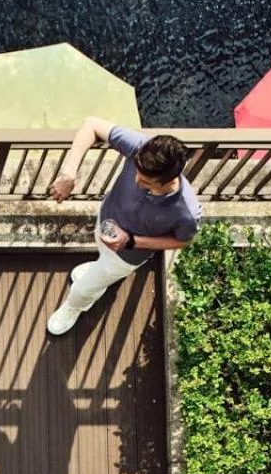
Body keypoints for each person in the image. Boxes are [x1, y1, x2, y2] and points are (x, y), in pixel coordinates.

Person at [44, 121, 201, 336]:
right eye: (137, 173)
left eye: (146, 182)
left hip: (127, 255)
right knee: (100, 260)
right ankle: (97, 273)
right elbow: (91, 125)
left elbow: (184, 240)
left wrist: (131, 241)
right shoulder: (141, 148)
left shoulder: (186, 212)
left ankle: (76, 305)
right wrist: (69, 175)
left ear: (169, 181)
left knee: (82, 289)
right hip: (106, 221)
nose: (137, 182)